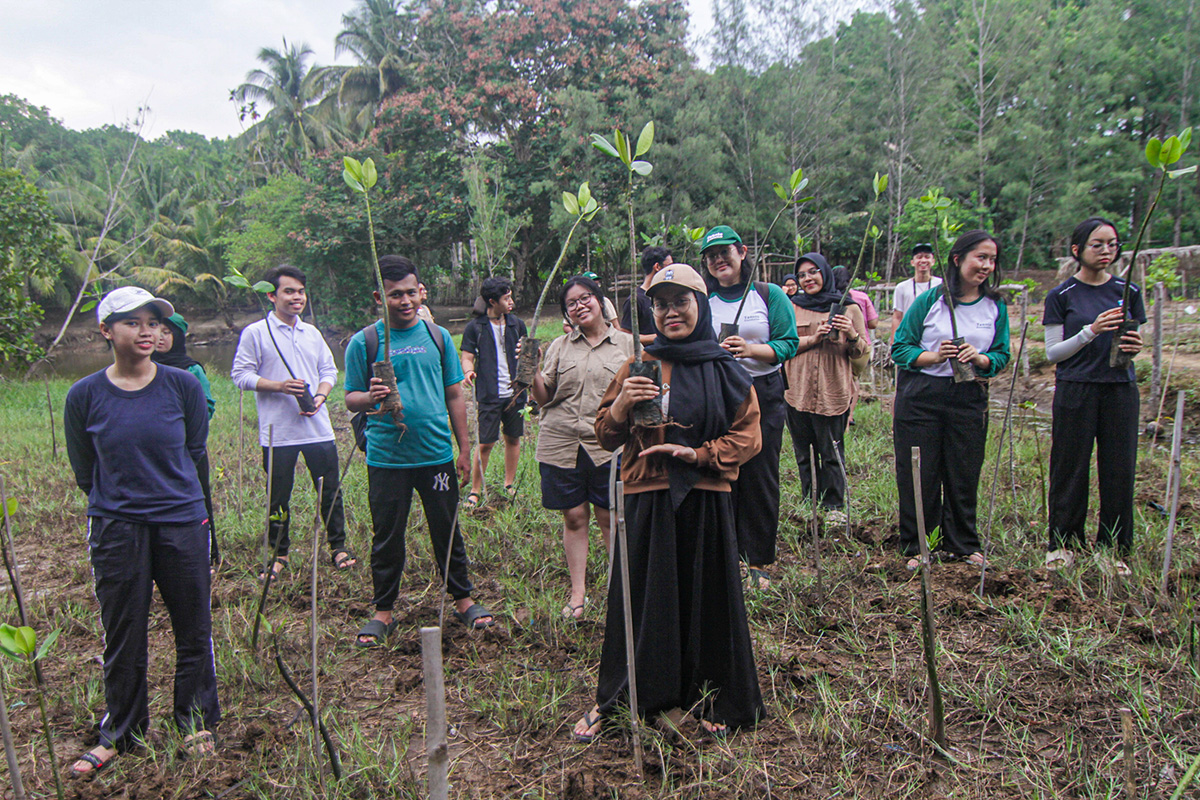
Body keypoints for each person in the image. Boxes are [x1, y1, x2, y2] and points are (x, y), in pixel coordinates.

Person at [571, 262, 764, 743]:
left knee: (709, 599)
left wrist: (697, 454)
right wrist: (620, 404)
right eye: (660, 304)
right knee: (642, 601)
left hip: (706, 494)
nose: (671, 312)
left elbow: (749, 437)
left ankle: (716, 696)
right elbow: (605, 435)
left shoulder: (726, 370)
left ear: (700, 307)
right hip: (646, 495)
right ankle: (620, 697)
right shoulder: (639, 365)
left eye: (681, 302)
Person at [64, 287, 219, 774]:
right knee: (123, 630)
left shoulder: (182, 386)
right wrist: (120, 503)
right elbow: (85, 471)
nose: (147, 330)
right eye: (132, 322)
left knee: (193, 626)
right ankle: (121, 731)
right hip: (117, 527)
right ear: (107, 331)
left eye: (153, 322)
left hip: (181, 521)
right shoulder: (84, 395)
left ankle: (194, 720)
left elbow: (195, 450)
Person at [345, 256, 495, 645]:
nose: (405, 301)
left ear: (420, 291)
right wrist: (369, 397)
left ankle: (463, 600)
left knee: (447, 530)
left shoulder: (438, 337)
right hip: (386, 457)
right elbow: (350, 398)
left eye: (411, 292)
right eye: (396, 294)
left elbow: (454, 394)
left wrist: (464, 450)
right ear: (381, 296)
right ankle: (383, 611)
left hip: (435, 456)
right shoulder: (365, 342)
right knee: (387, 535)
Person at [891, 230, 1011, 570]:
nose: (987, 265)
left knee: (964, 470)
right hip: (921, 397)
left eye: (992, 259)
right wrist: (933, 355)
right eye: (980, 258)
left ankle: (963, 543)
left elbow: (1002, 354)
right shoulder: (930, 301)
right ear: (958, 260)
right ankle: (918, 546)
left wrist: (982, 358)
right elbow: (901, 347)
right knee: (919, 472)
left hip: (968, 396)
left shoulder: (995, 305)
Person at [230, 265, 354, 579]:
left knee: (330, 491)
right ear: (271, 296)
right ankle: (279, 553)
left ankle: (338, 547)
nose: (296, 297)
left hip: (317, 427)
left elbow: (329, 372)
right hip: (277, 432)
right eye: (289, 291)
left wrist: (321, 398)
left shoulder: (311, 333)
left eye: (300, 291)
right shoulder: (257, 333)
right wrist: (280, 386)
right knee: (278, 495)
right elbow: (240, 376)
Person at [1042, 217, 1145, 575]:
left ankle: (1113, 548)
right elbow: (1053, 353)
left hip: (1119, 388)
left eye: (1112, 244)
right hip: (1076, 388)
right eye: (1097, 244)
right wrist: (1091, 330)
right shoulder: (1061, 295)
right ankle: (1063, 543)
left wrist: (1134, 346)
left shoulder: (1128, 290)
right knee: (1069, 466)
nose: (1106, 251)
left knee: (1119, 469)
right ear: (1077, 251)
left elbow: (1133, 339)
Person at [699, 225, 798, 589]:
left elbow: (789, 342)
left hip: (763, 389)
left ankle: (757, 559)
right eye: (711, 256)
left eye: (725, 252)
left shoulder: (768, 294)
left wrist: (751, 350)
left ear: (742, 252)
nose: (719, 260)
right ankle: (726, 554)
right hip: (717, 392)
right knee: (721, 468)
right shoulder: (701, 299)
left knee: (760, 473)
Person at [529, 275, 634, 619]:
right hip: (561, 441)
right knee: (574, 516)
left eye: (585, 298)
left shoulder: (627, 345)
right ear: (566, 313)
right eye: (571, 303)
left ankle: (619, 591)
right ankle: (578, 593)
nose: (579, 306)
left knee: (609, 517)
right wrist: (530, 373)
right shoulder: (560, 346)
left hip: (608, 444)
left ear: (600, 301)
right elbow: (544, 398)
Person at [784, 253, 870, 524]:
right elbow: (782, 347)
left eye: (813, 272)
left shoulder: (848, 308)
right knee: (803, 452)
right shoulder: (791, 307)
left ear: (825, 273)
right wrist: (813, 338)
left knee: (831, 452)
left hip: (833, 390)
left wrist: (852, 334)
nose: (807, 279)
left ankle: (833, 504)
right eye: (801, 275)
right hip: (796, 390)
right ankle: (809, 500)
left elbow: (863, 356)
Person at [154, 313, 220, 570]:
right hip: (152, 453)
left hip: (187, 449)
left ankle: (208, 553)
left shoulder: (190, 369)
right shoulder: (141, 367)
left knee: (198, 499)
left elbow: (206, 407)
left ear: (178, 337)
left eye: (167, 332)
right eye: (155, 330)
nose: (159, 337)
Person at [461, 276, 527, 507]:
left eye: (510, 297)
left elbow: (527, 354)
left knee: (512, 438)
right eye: (506, 298)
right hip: (489, 393)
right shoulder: (475, 328)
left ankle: (508, 484)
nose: (511, 302)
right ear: (492, 301)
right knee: (485, 443)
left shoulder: (516, 324)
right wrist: (468, 372)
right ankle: (476, 489)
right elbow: (467, 356)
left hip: (515, 393)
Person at [621, 246, 673, 346]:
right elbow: (625, 337)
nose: (671, 271)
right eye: (669, 267)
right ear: (657, 267)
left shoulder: (667, 297)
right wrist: (660, 337)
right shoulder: (636, 300)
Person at [891, 243, 943, 334]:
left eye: (927, 257)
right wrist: (894, 343)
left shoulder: (941, 285)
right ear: (912, 262)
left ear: (933, 261)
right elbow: (897, 317)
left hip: (935, 334)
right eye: (919, 257)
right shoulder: (902, 287)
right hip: (910, 334)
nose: (923, 260)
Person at [832, 266, 879, 340]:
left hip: (835, 343)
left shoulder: (828, 298)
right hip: (861, 343)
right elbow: (873, 324)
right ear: (850, 281)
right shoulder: (862, 297)